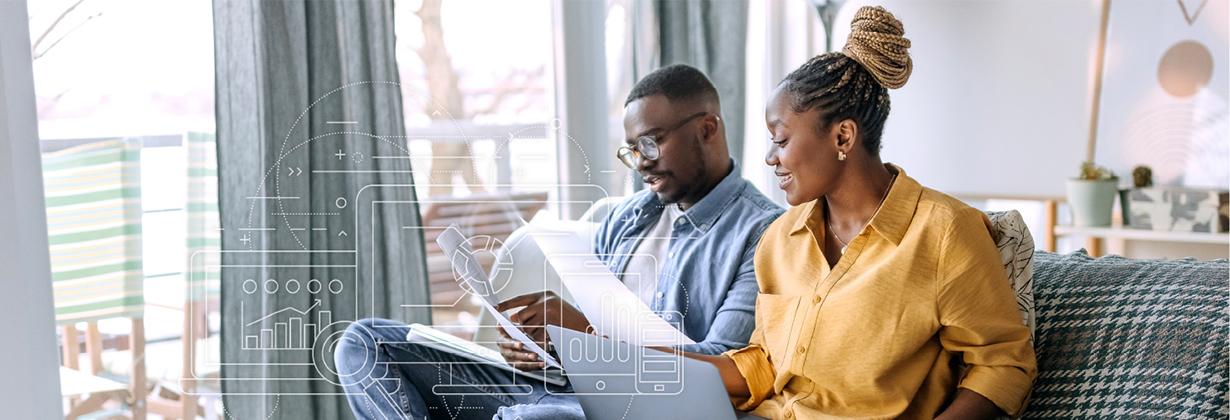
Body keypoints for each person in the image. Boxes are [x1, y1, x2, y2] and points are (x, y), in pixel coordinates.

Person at [335, 64, 784, 420]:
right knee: (364, 343)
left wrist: (584, 334)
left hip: (646, 406)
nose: (640, 165)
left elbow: (727, 368)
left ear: (708, 128)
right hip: (564, 390)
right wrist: (541, 347)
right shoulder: (628, 217)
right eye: (631, 150)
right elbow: (586, 338)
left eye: (651, 143)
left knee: (537, 418)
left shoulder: (763, 233)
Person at [684, 6, 1038, 419]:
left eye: (779, 140)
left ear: (843, 135)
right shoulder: (778, 240)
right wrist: (642, 362)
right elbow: (765, 363)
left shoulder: (944, 232)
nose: (769, 158)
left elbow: (1003, 364)